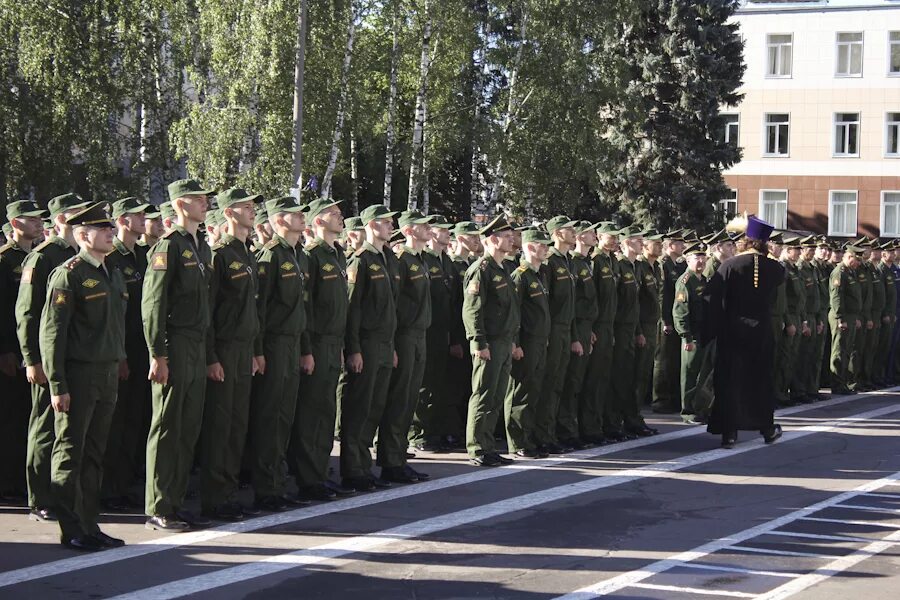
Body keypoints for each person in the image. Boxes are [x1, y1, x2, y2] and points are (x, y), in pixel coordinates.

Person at [40, 202, 126, 551]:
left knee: (95, 452)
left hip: (106, 373)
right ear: (82, 234)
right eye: (102, 228)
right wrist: (57, 383)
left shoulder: (112, 271)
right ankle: (70, 526)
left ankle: (90, 523)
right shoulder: (69, 274)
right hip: (78, 375)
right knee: (70, 451)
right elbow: (53, 334)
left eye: (110, 227)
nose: (111, 232)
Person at [142, 178, 214, 531]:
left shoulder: (201, 245)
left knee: (189, 426)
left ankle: (176, 499)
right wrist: (158, 353)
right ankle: (158, 504)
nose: (206, 204)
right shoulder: (167, 247)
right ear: (181, 204)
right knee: (168, 426)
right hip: (175, 344)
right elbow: (153, 305)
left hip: (198, 344)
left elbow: (207, 308)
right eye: (200, 199)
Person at [17, 193, 89, 523]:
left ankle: (64, 493)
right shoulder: (42, 257)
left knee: (66, 431)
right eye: (76, 215)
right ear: (60, 219)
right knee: (45, 427)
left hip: (71, 357)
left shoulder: (77, 255)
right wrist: (31, 359)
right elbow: (29, 313)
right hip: (47, 358)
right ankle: (38, 497)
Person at [199, 188, 262, 521]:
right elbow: (208, 312)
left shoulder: (247, 253)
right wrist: (211, 357)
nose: (253, 211)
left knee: (238, 425)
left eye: (253, 206)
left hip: (243, 349)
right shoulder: (219, 255)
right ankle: (214, 497)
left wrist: (254, 351)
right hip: (223, 348)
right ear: (228, 214)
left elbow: (251, 309)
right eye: (246, 207)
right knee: (220, 426)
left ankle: (228, 492)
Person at [249, 196, 312, 511]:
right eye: (296, 214)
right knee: (270, 417)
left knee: (285, 417)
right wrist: (258, 351)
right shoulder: (270, 257)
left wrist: (305, 349)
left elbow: (302, 308)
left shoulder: (296, 255)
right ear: (280, 220)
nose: (302, 218)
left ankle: (277, 481)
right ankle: (265, 488)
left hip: (292, 343)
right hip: (273, 344)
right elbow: (259, 311)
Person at [288, 198, 352, 502]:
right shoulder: (311, 255)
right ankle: (307, 478)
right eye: (334, 214)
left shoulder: (338, 254)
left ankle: (320, 471)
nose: (340, 218)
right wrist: (307, 349)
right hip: (316, 342)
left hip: (333, 342)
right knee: (311, 413)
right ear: (318, 222)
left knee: (326, 412)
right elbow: (307, 307)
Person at [706, 215, 785, 448]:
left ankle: (729, 432)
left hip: (733, 331)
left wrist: (712, 329)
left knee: (731, 381)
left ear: (746, 241)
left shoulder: (729, 265)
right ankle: (767, 428)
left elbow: (711, 298)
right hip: (761, 331)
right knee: (760, 381)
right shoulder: (776, 268)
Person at [339, 204, 400, 491]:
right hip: (366, 343)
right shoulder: (361, 260)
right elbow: (352, 310)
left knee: (375, 406)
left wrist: (393, 347)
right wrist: (354, 349)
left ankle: (364, 465)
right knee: (359, 407)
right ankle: (353, 468)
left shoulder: (388, 258)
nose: (391, 226)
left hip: (386, 344)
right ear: (373, 225)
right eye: (386, 222)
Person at [101, 197, 152, 511]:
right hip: (122, 348)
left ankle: (123, 483)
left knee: (136, 418)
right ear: (122, 220)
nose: (144, 218)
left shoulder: (144, 256)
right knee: (116, 422)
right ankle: (108, 488)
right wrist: (119, 355)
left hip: (142, 347)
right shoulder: (112, 257)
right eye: (137, 215)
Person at [378, 210, 432, 483]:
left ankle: (398, 455)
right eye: (423, 226)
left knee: (409, 399)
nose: (429, 229)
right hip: (404, 336)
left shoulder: (418, 260)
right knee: (399, 400)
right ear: (409, 231)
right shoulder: (401, 260)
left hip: (419, 335)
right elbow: (395, 303)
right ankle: (390, 460)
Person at [463, 215, 519, 466]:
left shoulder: (502, 269)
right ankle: (476, 447)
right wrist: (478, 342)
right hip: (490, 342)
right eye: (507, 237)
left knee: (496, 395)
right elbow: (473, 309)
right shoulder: (481, 269)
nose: (512, 241)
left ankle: (487, 446)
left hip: (504, 341)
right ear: (493, 240)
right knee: (484, 394)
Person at [0, 200, 47, 500]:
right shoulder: (5, 260)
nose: (38, 223)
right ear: (16, 224)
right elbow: (4, 310)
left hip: (33, 347)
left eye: (40, 219)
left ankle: (22, 478)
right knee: (12, 418)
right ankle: (8, 482)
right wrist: (5, 350)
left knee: (28, 416)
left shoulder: (37, 256)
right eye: (31, 220)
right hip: (12, 350)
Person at [506, 229, 552, 458]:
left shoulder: (539, 274)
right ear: (531, 247)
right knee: (520, 392)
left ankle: (530, 436)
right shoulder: (520, 276)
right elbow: (514, 314)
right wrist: (515, 343)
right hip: (526, 342)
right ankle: (518, 441)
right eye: (542, 245)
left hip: (540, 341)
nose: (546, 249)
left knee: (534, 390)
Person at [536, 216, 578, 454]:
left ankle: (553, 432)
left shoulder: (567, 260)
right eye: (569, 230)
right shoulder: (550, 261)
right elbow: (546, 300)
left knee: (559, 383)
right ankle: (543, 434)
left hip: (565, 327)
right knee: (549, 383)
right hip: (552, 329)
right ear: (558, 233)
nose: (574, 233)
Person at [558, 221, 599, 448]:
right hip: (573, 326)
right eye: (589, 233)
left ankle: (578, 428)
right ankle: (566, 430)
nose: (594, 236)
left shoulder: (586, 262)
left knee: (581, 381)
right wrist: (576, 335)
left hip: (585, 327)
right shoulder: (572, 262)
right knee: (570, 382)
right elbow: (571, 305)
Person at [673, 242, 710, 424]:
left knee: (700, 374)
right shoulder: (685, 281)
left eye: (703, 257)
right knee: (689, 374)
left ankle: (699, 408)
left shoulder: (702, 280)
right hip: (692, 334)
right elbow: (680, 311)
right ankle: (688, 411)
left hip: (703, 332)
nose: (701, 261)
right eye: (697, 258)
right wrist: (685, 336)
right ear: (688, 260)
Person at [652, 230, 686, 413]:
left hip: (675, 316)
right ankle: (660, 398)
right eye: (679, 243)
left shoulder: (679, 265)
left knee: (673, 359)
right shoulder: (663, 264)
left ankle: (672, 397)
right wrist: (665, 319)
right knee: (663, 359)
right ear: (670, 245)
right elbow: (662, 295)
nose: (683, 247)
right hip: (665, 317)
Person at [829, 245, 865, 395]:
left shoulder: (851, 272)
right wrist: (839, 318)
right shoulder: (840, 272)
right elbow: (836, 297)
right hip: (841, 316)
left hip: (850, 316)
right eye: (857, 260)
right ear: (850, 257)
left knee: (847, 350)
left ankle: (843, 382)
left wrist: (855, 317)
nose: (858, 264)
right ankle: (836, 384)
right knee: (838, 351)